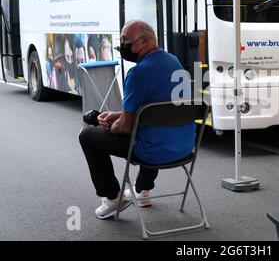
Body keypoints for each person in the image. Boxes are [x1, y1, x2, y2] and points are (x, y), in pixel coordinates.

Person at [78, 20, 196, 220]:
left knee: (88, 136)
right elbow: (158, 108)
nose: (122, 46)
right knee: (154, 129)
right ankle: (143, 190)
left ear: (144, 41)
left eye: (126, 41)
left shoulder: (138, 72)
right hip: (184, 147)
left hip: (153, 151)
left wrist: (109, 125)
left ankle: (114, 197)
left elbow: (124, 127)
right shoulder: (173, 62)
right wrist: (118, 114)